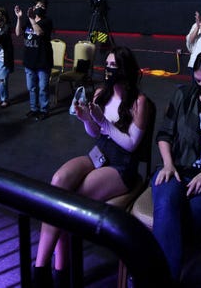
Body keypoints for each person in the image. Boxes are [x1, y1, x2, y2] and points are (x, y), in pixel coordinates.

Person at [32, 47, 150, 287]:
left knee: (67, 204)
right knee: (58, 181)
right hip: (99, 155)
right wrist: (87, 118)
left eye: (113, 66)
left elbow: (131, 144)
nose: (108, 70)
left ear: (125, 70)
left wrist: (104, 123)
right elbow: (95, 133)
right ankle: (43, 267)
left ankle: (54, 272)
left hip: (121, 166)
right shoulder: (100, 94)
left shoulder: (139, 103)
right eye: (106, 65)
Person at [152, 52, 201, 279]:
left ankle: (158, 274)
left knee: (189, 218)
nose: (200, 86)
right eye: (197, 80)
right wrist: (168, 164)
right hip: (177, 169)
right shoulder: (184, 95)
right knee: (166, 204)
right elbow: (164, 134)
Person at [15, 0, 54, 120]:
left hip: (43, 60)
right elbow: (18, 33)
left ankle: (44, 110)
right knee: (31, 88)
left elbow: (39, 32)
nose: (39, 8)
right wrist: (19, 18)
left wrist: (32, 19)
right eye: (37, 6)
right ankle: (34, 109)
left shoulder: (47, 21)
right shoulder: (28, 20)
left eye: (42, 6)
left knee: (43, 88)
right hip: (29, 60)